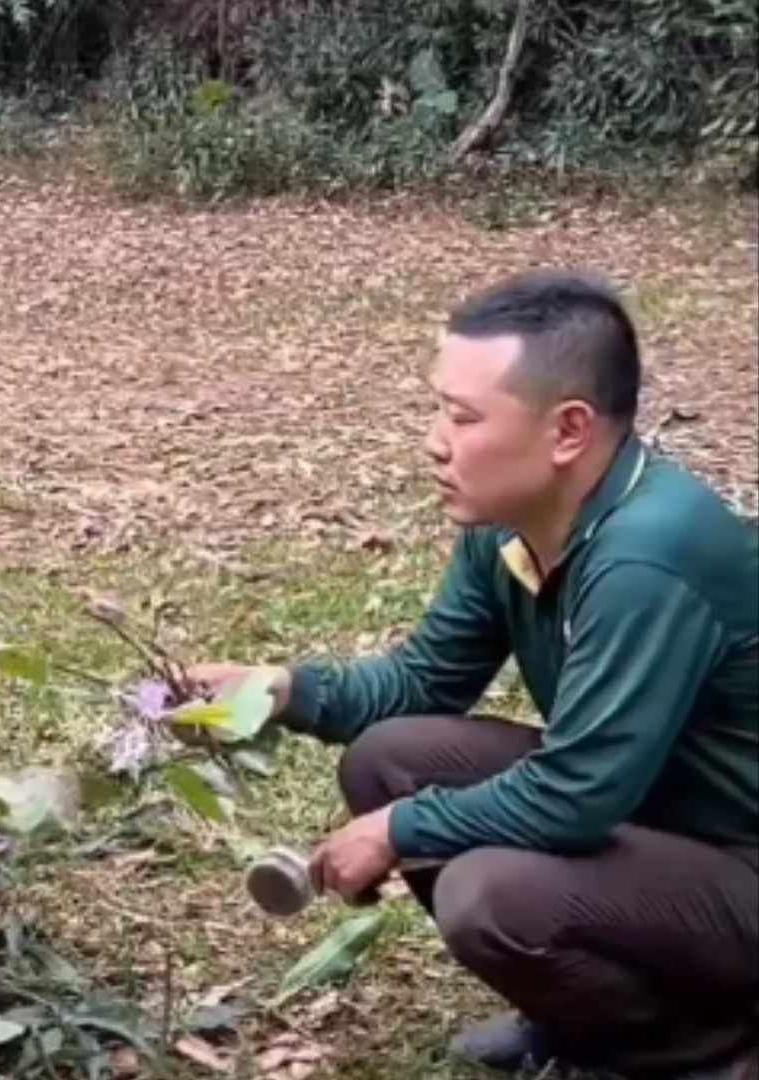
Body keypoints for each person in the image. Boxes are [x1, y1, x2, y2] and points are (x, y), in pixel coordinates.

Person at [196, 269, 758, 1080]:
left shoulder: (647, 556)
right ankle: (583, 1018)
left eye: (463, 417)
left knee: (492, 896)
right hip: (660, 814)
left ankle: (701, 1053)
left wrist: (396, 831)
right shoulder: (516, 527)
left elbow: (575, 795)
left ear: (568, 431)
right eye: (438, 408)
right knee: (389, 757)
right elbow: (425, 683)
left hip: (736, 858)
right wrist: (273, 688)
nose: (435, 439)